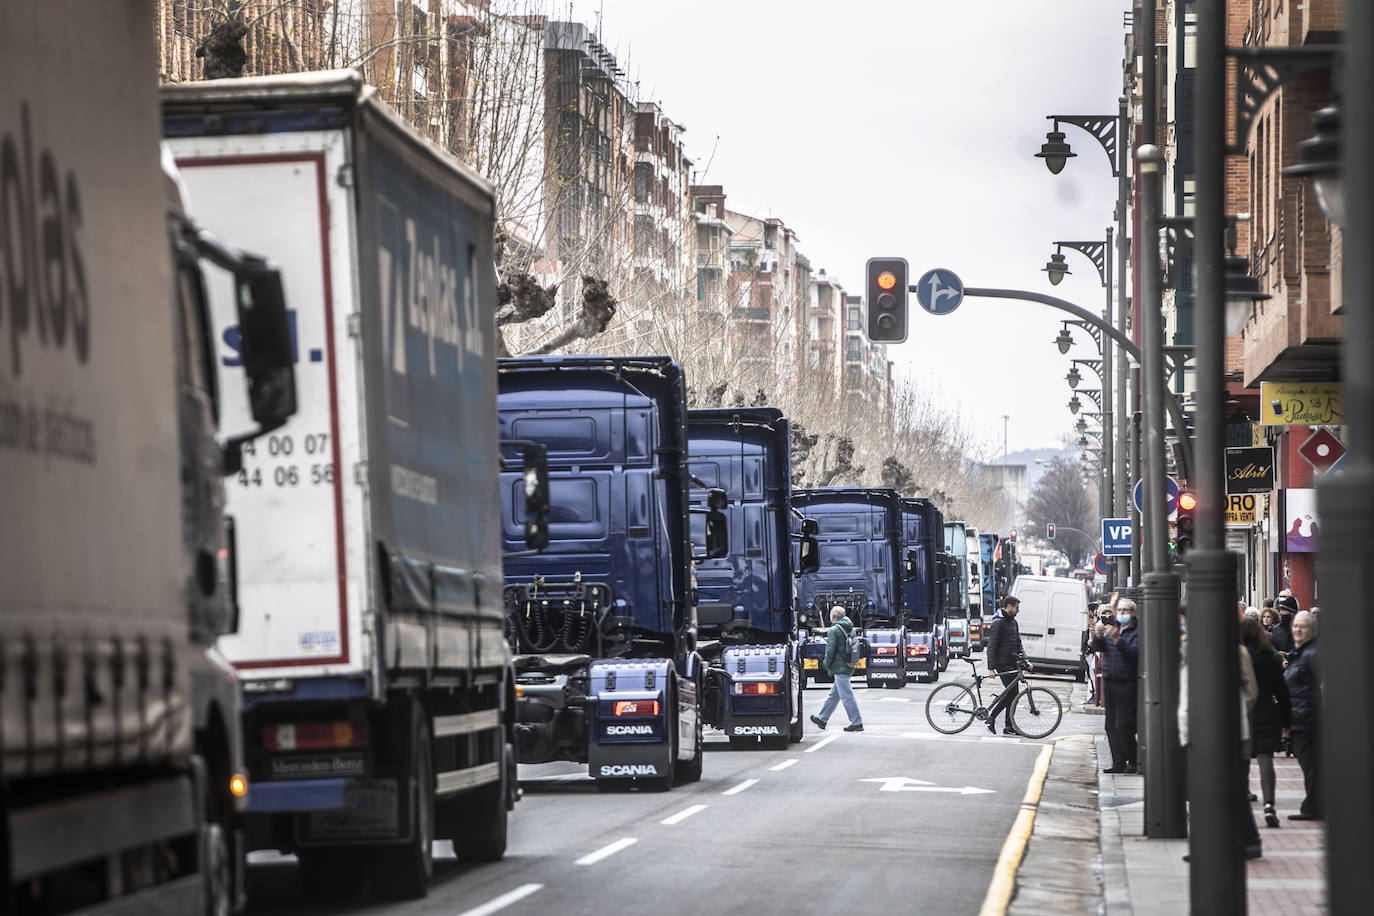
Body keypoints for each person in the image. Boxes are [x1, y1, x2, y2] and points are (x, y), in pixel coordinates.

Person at [1240, 615, 1290, 828]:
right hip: (1267, 711)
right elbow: (1282, 689)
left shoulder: (1238, 656)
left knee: (1242, 758)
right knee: (1265, 758)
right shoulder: (1270, 657)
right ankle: (1269, 804)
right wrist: (1287, 719)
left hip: (1243, 711)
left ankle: (1245, 792)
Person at [1091, 592, 1139, 773]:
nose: (1122, 613)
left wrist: (1117, 639)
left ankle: (1133, 760)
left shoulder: (1136, 630)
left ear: (1133, 613)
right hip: (1110, 680)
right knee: (1110, 725)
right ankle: (1118, 763)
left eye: (1125, 610)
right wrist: (1097, 636)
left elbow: (1135, 653)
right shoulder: (1114, 626)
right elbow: (1100, 648)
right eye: (1119, 610)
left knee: (1123, 724)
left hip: (1127, 682)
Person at [1284, 611, 1322, 820]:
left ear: (1313, 630)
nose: (1297, 630)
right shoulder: (1300, 652)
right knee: (1309, 763)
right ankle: (1314, 804)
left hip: (1307, 719)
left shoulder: (1312, 654)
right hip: (1299, 718)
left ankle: (1313, 806)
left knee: (1311, 764)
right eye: (1296, 626)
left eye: (1303, 627)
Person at [809, 605, 864, 733]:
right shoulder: (850, 628)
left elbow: (830, 650)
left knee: (847, 696)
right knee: (834, 695)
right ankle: (822, 719)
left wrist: (826, 664)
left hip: (839, 667)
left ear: (832, 616)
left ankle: (857, 722)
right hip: (849, 663)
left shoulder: (834, 630)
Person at [984, 595, 1027, 735]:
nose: (1018, 611)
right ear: (1009, 606)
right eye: (1017, 608)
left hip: (1012, 662)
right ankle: (992, 717)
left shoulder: (1013, 622)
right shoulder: (999, 622)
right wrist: (991, 668)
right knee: (1011, 694)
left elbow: (1018, 643)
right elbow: (992, 646)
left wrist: (1026, 660)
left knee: (1013, 695)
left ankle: (1008, 726)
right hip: (1002, 663)